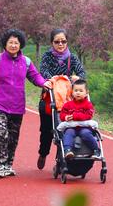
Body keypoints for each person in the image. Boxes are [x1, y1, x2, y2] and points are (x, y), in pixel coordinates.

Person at [0, 29, 52, 178]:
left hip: (17, 106)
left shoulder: (26, 62)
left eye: (16, 43)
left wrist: (45, 83)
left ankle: (8, 165)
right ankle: (0, 166)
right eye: (10, 42)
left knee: (13, 137)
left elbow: (35, 76)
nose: (13, 45)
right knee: (1, 134)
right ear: (5, 44)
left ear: (20, 45)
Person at [37, 28, 86, 169]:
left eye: (63, 41)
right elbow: (44, 71)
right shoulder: (47, 56)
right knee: (46, 130)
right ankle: (43, 153)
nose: (60, 44)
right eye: (57, 42)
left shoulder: (72, 57)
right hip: (49, 99)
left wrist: (78, 77)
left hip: (67, 101)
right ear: (52, 43)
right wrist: (51, 79)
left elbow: (82, 72)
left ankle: (61, 160)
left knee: (65, 129)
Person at [59, 79, 100, 159]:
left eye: (81, 91)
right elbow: (62, 114)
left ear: (86, 93)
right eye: (76, 90)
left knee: (86, 134)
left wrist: (75, 116)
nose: (78, 92)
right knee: (68, 133)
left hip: (84, 127)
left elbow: (88, 115)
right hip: (71, 127)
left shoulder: (88, 104)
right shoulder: (68, 105)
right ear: (72, 92)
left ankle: (96, 150)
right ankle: (67, 150)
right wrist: (65, 117)